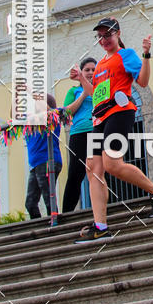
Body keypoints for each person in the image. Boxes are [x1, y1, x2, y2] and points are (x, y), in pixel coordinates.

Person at [70, 17, 153, 243]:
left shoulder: (126, 55)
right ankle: (100, 226)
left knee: (112, 164)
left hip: (119, 112)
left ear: (118, 33)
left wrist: (146, 54)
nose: (104, 39)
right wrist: (81, 78)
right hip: (99, 118)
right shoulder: (100, 66)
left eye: (108, 34)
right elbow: (95, 93)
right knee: (93, 169)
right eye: (100, 36)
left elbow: (142, 81)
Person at [62, 57, 96, 213]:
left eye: (93, 69)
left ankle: (103, 208)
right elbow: (66, 113)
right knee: (75, 174)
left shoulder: (100, 87)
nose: (90, 72)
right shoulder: (73, 91)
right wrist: (83, 94)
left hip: (97, 131)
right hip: (78, 134)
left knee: (100, 171)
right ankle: (67, 212)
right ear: (81, 72)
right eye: (87, 70)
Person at [24, 94, 62, 220]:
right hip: (36, 165)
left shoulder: (52, 118)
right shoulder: (31, 123)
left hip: (47, 161)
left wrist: (32, 93)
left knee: (49, 198)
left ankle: (55, 225)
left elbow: (48, 110)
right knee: (30, 203)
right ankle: (40, 227)